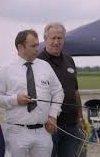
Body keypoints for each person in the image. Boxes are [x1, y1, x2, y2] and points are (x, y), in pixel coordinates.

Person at [0, 29, 64, 157]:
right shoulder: (5, 70)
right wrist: (15, 100)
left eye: (38, 44)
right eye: (33, 46)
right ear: (20, 47)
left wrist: (53, 115)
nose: (37, 49)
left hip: (43, 133)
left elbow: (58, 92)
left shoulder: (45, 66)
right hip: (16, 133)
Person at [38, 22, 85, 157]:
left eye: (60, 38)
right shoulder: (38, 62)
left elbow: (75, 91)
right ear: (45, 39)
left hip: (71, 125)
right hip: (49, 126)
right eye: (53, 38)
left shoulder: (70, 60)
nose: (56, 42)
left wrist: (80, 117)